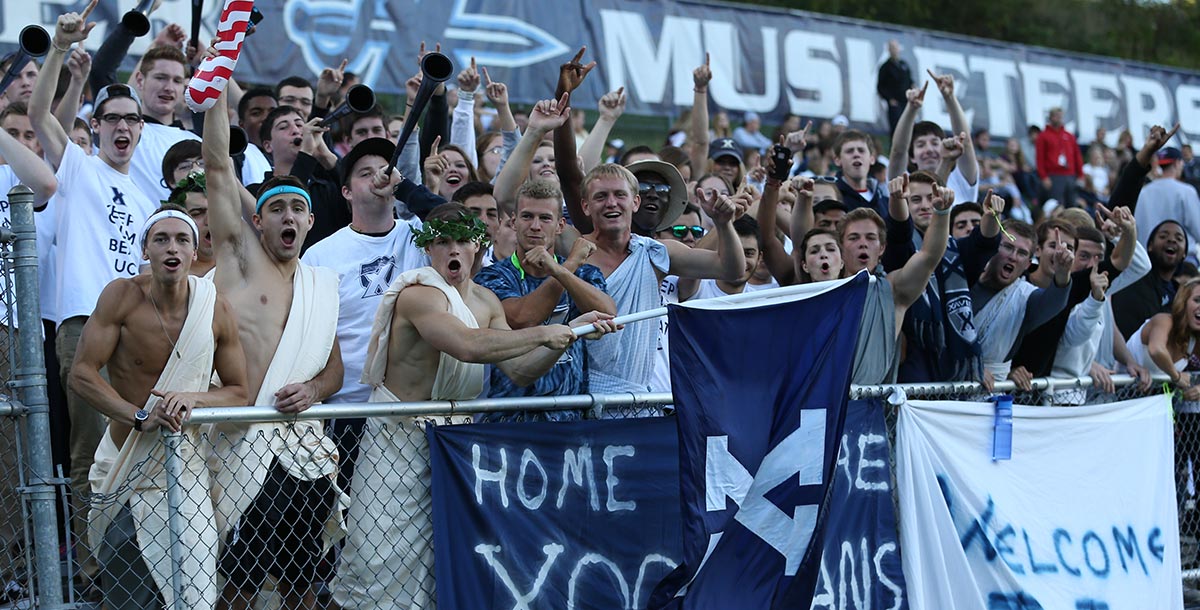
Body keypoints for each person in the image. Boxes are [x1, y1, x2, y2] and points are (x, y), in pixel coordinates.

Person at [332, 202, 616, 609]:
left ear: (478, 245)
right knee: (377, 566)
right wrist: (545, 332)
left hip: (455, 451)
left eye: (463, 240)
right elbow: (467, 345)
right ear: (427, 249)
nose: (453, 250)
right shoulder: (419, 295)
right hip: (396, 447)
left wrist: (569, 332)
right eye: (442, 241)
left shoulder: (486, 301)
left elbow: (520, 371)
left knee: (447, 567)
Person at [30, 5, 160, 584]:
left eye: (131, 119)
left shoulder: (149, 197)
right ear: (98, 124)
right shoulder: (80, 168)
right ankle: (88, 572)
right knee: (89, 450)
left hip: (141, 331)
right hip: (85, 326)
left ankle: (127, 565)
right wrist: (59, 51)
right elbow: (37, 114)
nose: (123, 127)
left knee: (133, 451)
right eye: (111, 119)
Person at [202, 90, 346, 610]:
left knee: (302, 588)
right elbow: (217, 169)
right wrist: (216, 91)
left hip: (304, 454)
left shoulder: (322, 283)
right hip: (245, 447)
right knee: (236, 591)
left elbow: (335, 370)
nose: (289, 215)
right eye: (277, 207)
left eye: (299, 208)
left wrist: (313, 388)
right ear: (258, 221)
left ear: (310, 223)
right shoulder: (239, 263)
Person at [72, 206, 248, 609]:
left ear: (194, 251)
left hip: (184, 468)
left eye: (182, 240)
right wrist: (138, 416)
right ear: (145, 250)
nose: (172, 248)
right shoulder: (121, 296)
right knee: (128, 593)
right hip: (125, 465)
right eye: (161, 239)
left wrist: (195, 397)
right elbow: (81, 374)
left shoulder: (214, 308)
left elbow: (239, 392)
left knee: (195, 586)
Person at [301, 137, 428, 492]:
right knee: (348, 523)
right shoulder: (319, 255)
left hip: (411, 408)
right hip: (348, 410)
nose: (377, 178)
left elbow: (461, 224)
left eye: (385, 171)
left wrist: (406, 189)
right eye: (365, 173)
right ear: (345, 191)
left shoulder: (420, 238)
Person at [578, 162, 746, 395]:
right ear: (586, 206)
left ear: (635, 202)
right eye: (601, 196)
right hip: (582, 398)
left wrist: (723, 224)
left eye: (620, 195)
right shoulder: (574, 252)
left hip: (636, 402)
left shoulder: (654, 253)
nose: (611, 203)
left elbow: (732, 270)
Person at [474, 179, 615, 411]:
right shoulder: (490, 277)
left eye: (545, 218)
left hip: (570, 417)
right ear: (513, 222)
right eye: (527, 217)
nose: (535, 226)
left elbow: (608, 313)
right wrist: (567, 267)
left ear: (560, 225)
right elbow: (522, 318)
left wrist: (558, 269)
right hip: (511, 417)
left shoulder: (585, 273)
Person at [970, 221, 1073, 383]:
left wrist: (1062, 273)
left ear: (1028, 264)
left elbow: (1053, 303)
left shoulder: (1025, 296)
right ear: (994, 247)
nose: (1013, 257)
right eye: (1008, 247)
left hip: (989, 394)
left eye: (1022, 253)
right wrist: (969, 366)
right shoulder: (966, 278)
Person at [887, 73, 979, 206]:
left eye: (935, 143)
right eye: (920, 145)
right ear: (912, 157)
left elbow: (966, 143)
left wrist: (950, 97)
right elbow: (898, 151)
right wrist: (911, 108)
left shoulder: (961, 180)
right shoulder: (904, 184)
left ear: (945, 147)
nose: (929, 149)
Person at [1134, 146, 1200, 264]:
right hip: (1181, 260)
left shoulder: (1143, 192)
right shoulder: (1186, 191)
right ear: (1177, 163)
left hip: (1148, 259)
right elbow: (1198, 229)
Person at [831, 130, 889, 216]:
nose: (856, 154)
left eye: (861, 150)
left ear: (872, 159)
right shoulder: (832, 198)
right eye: (850, 151)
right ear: (837, 160)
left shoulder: (885, 202)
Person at [1036, 107, 1084, 208]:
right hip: (1054, 175)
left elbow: (1077, 156)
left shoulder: (1069, 136)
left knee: (1072, 205)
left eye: (1060, 116)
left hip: (1070, 175)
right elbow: (1039, 158)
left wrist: (1080, 175)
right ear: (1051, 117)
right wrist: (1044, 177)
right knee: (1057, 206)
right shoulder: (1043, 136)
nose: (1058, 119)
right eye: (1056, 116)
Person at [876, 39, 913, 134]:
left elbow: (910, 81)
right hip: (895, 104)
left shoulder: (904, 65)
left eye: (895, 47)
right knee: (896, 127)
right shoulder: (885, 67)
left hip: (906, 101)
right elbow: (880, 87)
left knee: (909, 127)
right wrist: (890, 99)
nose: (894, 50)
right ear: (888, 50)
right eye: (892, 48)